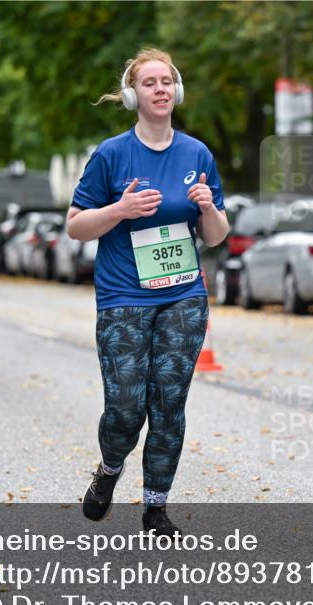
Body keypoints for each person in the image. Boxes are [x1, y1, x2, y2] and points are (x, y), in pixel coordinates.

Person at [67, 48, 229, 536]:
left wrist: (207, 207)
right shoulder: (111, 154)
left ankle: (155, 508)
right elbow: (76, 226)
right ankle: (110, 468)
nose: (160, 89)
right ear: (132, 94)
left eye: (167, 81)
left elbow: (217, 235)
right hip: (123, 298)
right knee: (125, 407)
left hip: (183, 295)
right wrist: (119, 210)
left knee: (168, 404)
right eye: (150, 82)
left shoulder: (197, 154)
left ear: (176, 92)